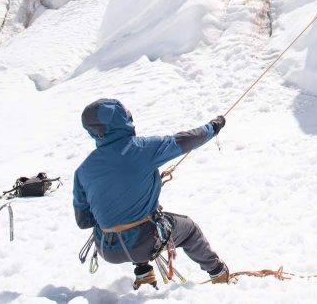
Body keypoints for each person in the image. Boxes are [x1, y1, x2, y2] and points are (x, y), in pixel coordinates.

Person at [73, 98, 230, 289]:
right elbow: (184, 140)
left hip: (107, 249)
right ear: (121, 119)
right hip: (144, 243)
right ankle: (218, 273)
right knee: (188, 229)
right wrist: (213, 127)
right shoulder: (142, 148)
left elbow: (84, 222)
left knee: (137, 219)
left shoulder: (83, 170)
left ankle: (144, 274)